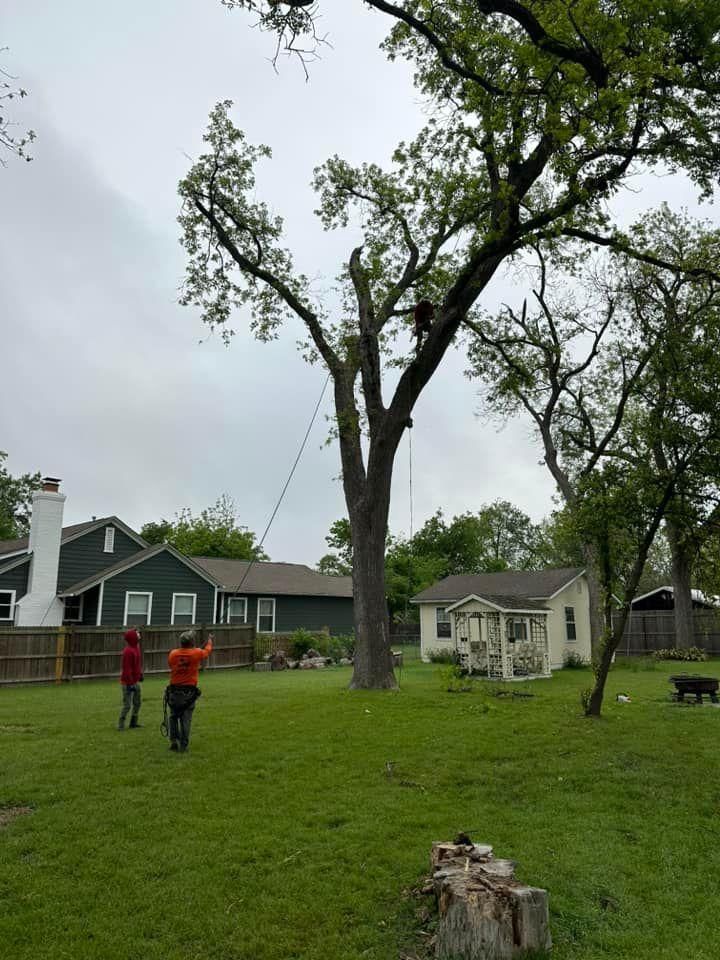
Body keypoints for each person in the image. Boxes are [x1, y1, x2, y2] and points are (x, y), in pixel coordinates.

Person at [165, 630, 213, 753]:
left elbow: (172, 665)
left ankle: (173, 741)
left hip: (174, 692)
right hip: (189, 693)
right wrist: (209, 641)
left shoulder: (173, 654)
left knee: (173, 717)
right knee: (186, 719)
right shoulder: (196, 653)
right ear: (192, 642)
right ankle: (183, 745)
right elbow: (206, 652)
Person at [118, 628, 143, 730]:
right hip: (127, 682)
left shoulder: (137, 647)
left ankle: (133, 722)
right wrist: (130, 683)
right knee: (127, 705)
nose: (139, 634)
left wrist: (140, 674)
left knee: (137, 702)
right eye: (137, 633)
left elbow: (136, 665)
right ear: (132, 637)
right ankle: (121, 724)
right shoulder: (128, 651)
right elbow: (127, 669)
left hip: (135, 681)